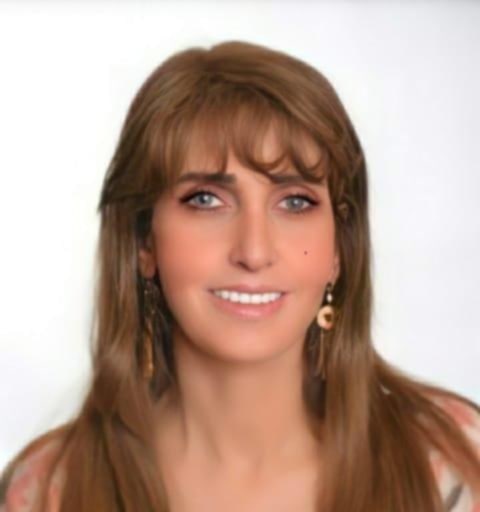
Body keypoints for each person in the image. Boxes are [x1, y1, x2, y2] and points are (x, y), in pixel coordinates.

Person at [1, 39, 479, 512]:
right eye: (206, 200)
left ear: (339, 249)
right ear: (145, 241)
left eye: (295, 202)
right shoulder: (47, 493)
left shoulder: (454, 462)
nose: (254, 251)